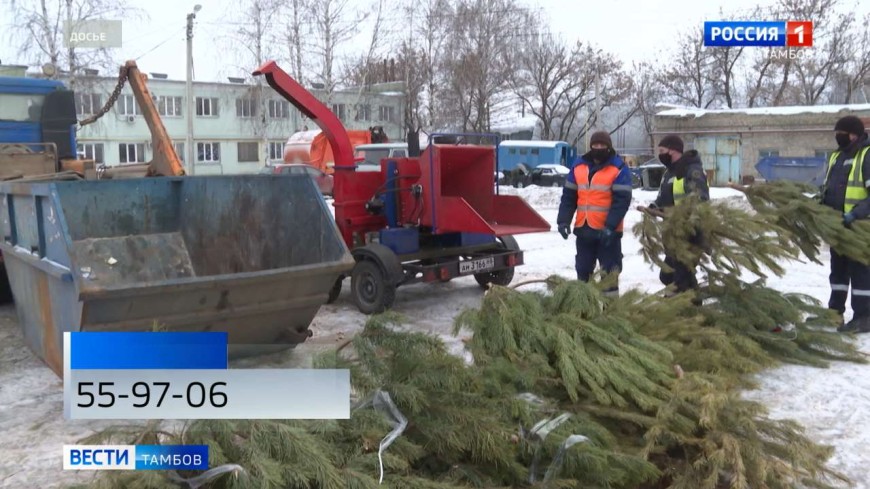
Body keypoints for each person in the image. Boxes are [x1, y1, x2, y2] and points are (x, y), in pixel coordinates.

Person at [556, 130, 633, 297]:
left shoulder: (619, 168)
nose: (598, 148)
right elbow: (569, 197)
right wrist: (563, 221)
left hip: (608, 233)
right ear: (590, 146)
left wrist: (610, 226)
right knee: (583, 272)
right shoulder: (578, 166)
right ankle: (585, 311)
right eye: (595, 145)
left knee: (609, 275)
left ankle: (611, 313)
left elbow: (622, 201)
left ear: (609, 147)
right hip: (584, 229)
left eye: (602, 145)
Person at [815, 115, 870, 332]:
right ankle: (834, 313)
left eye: (842, 134)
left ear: (854, 134)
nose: (838, 137)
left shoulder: (866, 155)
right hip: (837, 226)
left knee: (861, 272)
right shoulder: (836, 157)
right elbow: (829, 188)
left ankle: (864, 317)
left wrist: (855, 214)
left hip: (860, 227)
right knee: (837, 272)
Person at [645, 134, 710, 298]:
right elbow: (664, 197)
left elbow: (700, 200)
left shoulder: (691, 170)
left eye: (662, 150)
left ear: (673, 151)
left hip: (688, 234)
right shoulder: (669, 172)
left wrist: (685, 220)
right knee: (668, 275)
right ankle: (692, 307)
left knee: (680, 278)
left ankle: (682, 313)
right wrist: (655, 206)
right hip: (672, 234)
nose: (660, 154)